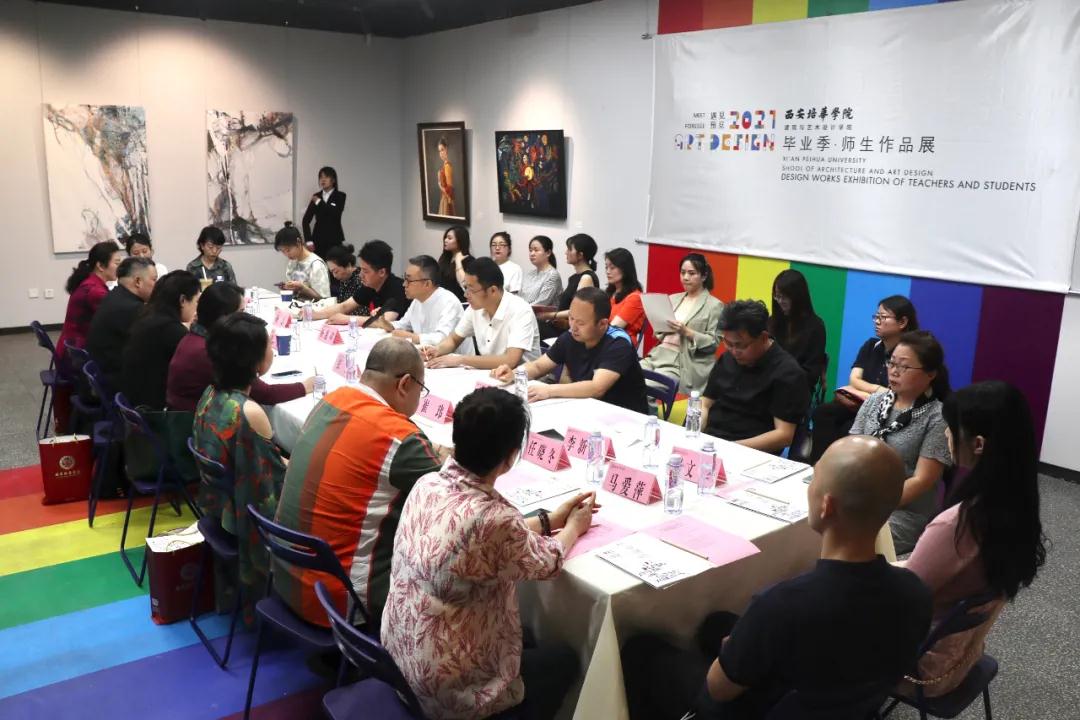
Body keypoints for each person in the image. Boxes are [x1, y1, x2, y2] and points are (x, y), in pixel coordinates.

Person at [622, 435, 932, 720]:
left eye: (813, 480)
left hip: (761, 709)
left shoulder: (782, 604)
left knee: (640, 651)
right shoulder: (915, 591)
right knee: (715, 623)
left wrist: (734, 652)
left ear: (826, 506)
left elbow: (718, 690)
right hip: (846, 702)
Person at [384, 388, 594, 720]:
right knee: (567, 659)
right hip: (448, 691)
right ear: (511, 456)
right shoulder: (495, 518)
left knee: (529, 639)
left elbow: (478, 538)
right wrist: (574, 528)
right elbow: (549, 562)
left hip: (399, 661)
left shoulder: (428, 484)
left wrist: (549, 520)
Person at [273, 338, 444, 626]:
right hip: (339, 602)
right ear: (405, 384)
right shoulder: (400, 437)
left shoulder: (331, 400)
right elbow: (455, 500)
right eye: (421, 389)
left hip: (285, 574)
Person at [902, 381, 1046, 697]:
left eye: (952, 428)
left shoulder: (956, 524)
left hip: (920, 668)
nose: (946, 434)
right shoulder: (1014, 505)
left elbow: (901, 597)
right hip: (962, 655)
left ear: (978, 444)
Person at [192, 313, 288, 626]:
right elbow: (271, 486)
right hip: (243, 520)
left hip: (216, 507)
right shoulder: (248, 412)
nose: (272, 350)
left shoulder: (210, 394)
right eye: (269, 346)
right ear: (255, 362)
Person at [850, 330, 952, 554]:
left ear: (930, 374)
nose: (894, 371)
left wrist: (873, 504)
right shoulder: (875, 401)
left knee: (851, 539)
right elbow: (850, 449)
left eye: (904, 367)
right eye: (892, 362)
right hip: (859, 496)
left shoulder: (937, 417)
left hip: (903, 511)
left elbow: (922, 480)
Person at [492, 287, 648, 413]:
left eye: (581, 322)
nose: (573, 326)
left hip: (625, 417)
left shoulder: (619, 343)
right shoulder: (571, 337)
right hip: (587, 409)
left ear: (602, 324)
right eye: (571, 318)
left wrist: (549, 391)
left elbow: (597, 388)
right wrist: (515, 374)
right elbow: (538, 366)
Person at [166, 282, 311, 412]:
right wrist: (306, 386)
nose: (245, 318)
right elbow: (264, 393)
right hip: (190, 425)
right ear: (225, 317)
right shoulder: (207, 351)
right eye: (241, 312)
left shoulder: (197, 337)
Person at [809, 295, 919, 463]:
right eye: (876, 316)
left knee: (848, 428)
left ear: (902, 322)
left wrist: (870, 392)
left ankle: (845, 470)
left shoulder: (909, 354)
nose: (877, 321)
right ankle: (818, 466)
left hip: (885, 411)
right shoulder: (870, 346)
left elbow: (898, 393)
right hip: (858, 403)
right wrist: (878, 391)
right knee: (823, 413)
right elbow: (854, 379)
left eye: (883, 317)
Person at [701, 300, 810, 454]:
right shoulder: (727, 358)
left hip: (749, 452)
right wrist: (697, 426)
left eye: (741, 345)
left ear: (764, 337)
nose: (734, 351)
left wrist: (730, 448)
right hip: (712, 444)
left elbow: (784, 435)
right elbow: (706, 402)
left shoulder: (788, 373)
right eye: (728, 343)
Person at [421, 257, 541, 370]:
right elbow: (454, 339)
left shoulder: (520, 310)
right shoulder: (475, 308)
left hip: (524, 380)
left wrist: (461, 359)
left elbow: (510, 360)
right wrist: (437, 350)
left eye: (471, 290)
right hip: (489, 375)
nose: (466, 294)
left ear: (492, 290)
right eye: (465, 287)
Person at [640, 253, 724, 394]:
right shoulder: (673, 298)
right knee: (625, 379)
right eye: (683, 272)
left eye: (691, 273)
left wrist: (686, 332)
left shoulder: (715, 305)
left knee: (646, 388)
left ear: (704, 276)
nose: (685, 277)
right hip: (658, 354)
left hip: (681, 362)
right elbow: (658, 333)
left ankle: (651, 408)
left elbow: (713, 343)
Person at [121, 270, 201, 409]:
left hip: (135, 399)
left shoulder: (149, 316)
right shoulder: (171, 330)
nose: (196, 307)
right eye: (196, 301)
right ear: (182, 300)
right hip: (155, 409)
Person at [86, 257, 158, 392]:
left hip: (101, 373)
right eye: (154, 280)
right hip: (115, 381)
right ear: (138, 281)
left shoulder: (114, 296)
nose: (157, 285)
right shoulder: (132, 308)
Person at [368, 254, 464, 349]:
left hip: (453, 357)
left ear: (427, 284)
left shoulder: (449, 302)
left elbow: (443, 338)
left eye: (409, 280)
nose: (404, 284)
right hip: (426, 353)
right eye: (404, 278)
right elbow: (403, 325)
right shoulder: (417, 301)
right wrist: (386, 324)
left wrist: (412, 337)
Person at [310, 239, 407, 324]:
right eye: (361, 269)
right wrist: (313, 314)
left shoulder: (398, 288)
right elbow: (344, 307)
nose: (360, 275)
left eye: (365, 271)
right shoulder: (370, 286)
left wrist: (348, 319)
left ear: (382, 272)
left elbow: (386, 321)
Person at [57, 241, 123, 360]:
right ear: (101, 266)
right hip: (76, 356)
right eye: (117, 263)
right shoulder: (94, 291)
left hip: (71, 348)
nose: (120, 268)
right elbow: (116, 320)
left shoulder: (89, 282)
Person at [768, 269, 826, 390]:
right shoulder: (771, 322)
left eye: (784, 297)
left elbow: (811, 375)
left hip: (796, 389)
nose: (780, 301)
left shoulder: (816, 328)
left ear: (798, 297)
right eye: (777, 296)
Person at [537, 233, 598, 338]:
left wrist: (550, 315)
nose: (566, 252)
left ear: (580, 255)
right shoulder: (574, 278)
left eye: (570, 249)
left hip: (571, 332)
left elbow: (578, 310)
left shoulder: (586, 278)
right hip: (561, 326)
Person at [275, 222, 330, 300]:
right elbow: (295, 293)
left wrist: (302, 288)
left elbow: (323, 299)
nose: (286, 254)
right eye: (283, 251)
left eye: (288, 250)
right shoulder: (292, 262)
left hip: (314, 307)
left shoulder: (316, 264)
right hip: (296, 305)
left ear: (298, 242)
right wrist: (287, 288)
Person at [300, 166, 346, 258]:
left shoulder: (340, 196)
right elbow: (306, 220)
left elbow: (334, 214)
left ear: (333, 180)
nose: (323, 180)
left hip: (334, 240)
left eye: (326, 177)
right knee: (319, 266)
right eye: (321, 177)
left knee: (334, 266)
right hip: (318, 241)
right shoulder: (316, 196)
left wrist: (319, 202)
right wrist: (308, 241)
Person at [604, 247, 646, 345]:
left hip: (621, 344)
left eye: (612, 267)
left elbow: (613, 328)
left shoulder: (635, 297)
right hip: (605, 341)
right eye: (606, 267)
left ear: (625, 269)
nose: (608, 271)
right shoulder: (609, 294)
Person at [520, 235, 563, 307]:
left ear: (548, 253)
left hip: (541, 314)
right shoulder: (530, 274)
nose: (532, 254)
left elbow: (541, 304)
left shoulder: (552, 275)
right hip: (523, 311)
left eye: (536, 250)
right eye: (530, 250)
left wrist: (520, 309)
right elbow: (520, 296)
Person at [437, 225, 472, 302]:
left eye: (449, 238)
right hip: (442, 301)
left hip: (459, 302)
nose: (445, 240)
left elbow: (465, 285)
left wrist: (458, 262)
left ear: (460, 241)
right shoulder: (444, 258)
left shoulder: (469, 261)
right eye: (445, 238)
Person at [436, 135, 457, 216]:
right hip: (444, 199)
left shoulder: (447, 166)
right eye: (439, 151)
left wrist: (439, 184)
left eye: (442, 150)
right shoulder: (445, 165)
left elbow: (450, 189)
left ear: (446, 149)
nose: (441, 153)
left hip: (447, 200)